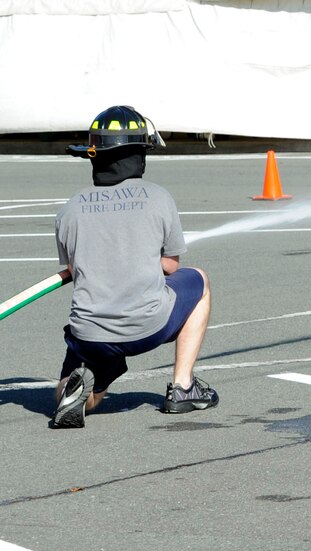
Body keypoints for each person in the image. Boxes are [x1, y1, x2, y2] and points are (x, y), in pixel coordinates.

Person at [52, 105, 218, 428]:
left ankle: (72, 393)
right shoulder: (159, 198)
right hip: (148, 326)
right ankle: (182, 387)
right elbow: (170, 266)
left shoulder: (69, 211)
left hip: (90, 331)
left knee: (86, 376)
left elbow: (74, 269)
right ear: (140, 154)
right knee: (200, 280)